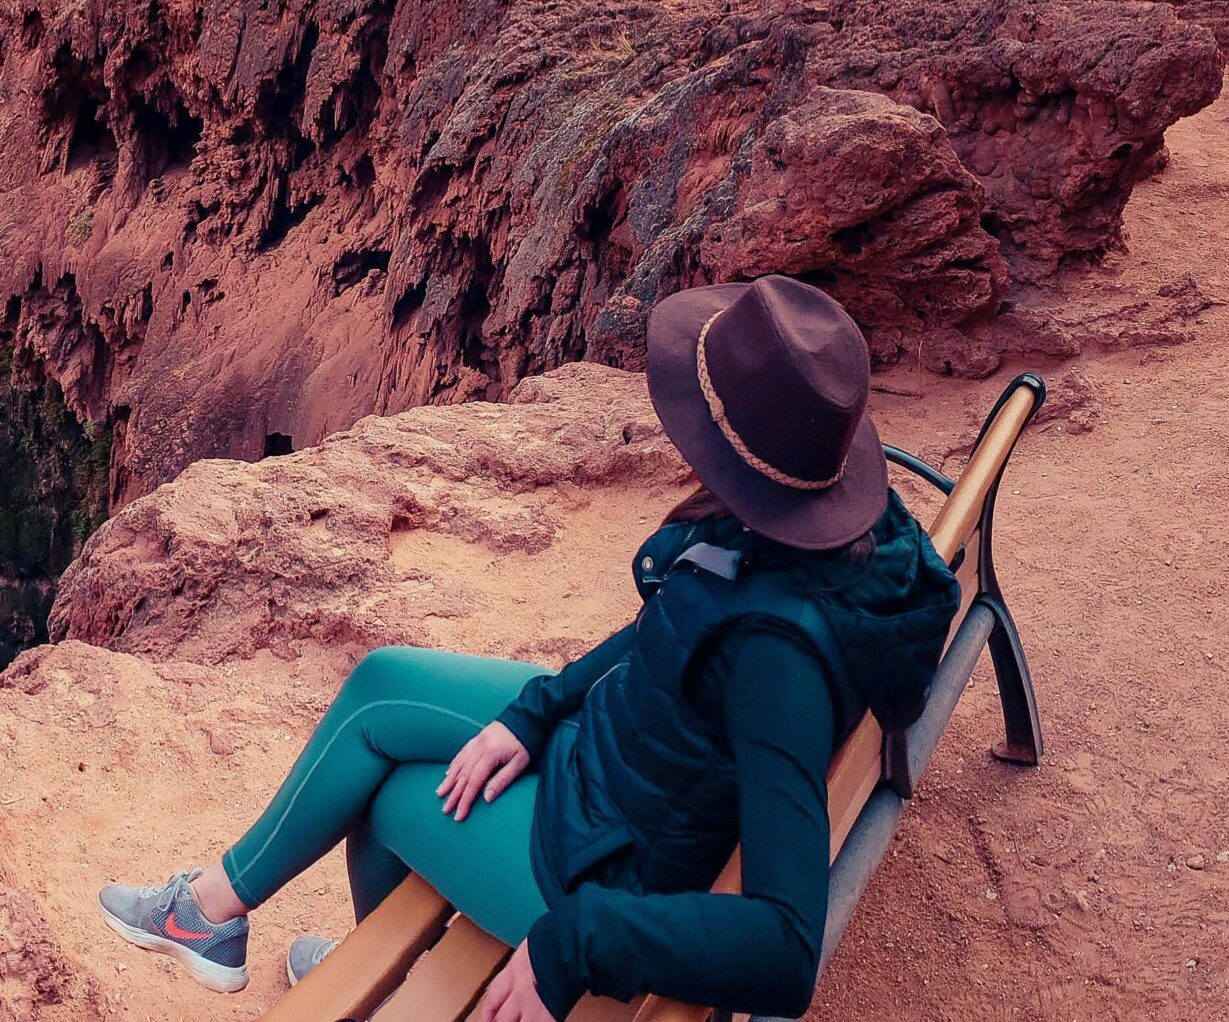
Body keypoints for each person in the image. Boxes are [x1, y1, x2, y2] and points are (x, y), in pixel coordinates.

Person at [98, 275, 962, 1020]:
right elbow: (673, 633)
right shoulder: (829, 519)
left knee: (384, 797)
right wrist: (538, 712)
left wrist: (578, 942)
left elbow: (786, 946)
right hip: (626, 764)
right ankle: (219, 911)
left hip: (610, 857)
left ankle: (379, 985)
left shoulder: (781, 662)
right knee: (382, 683)